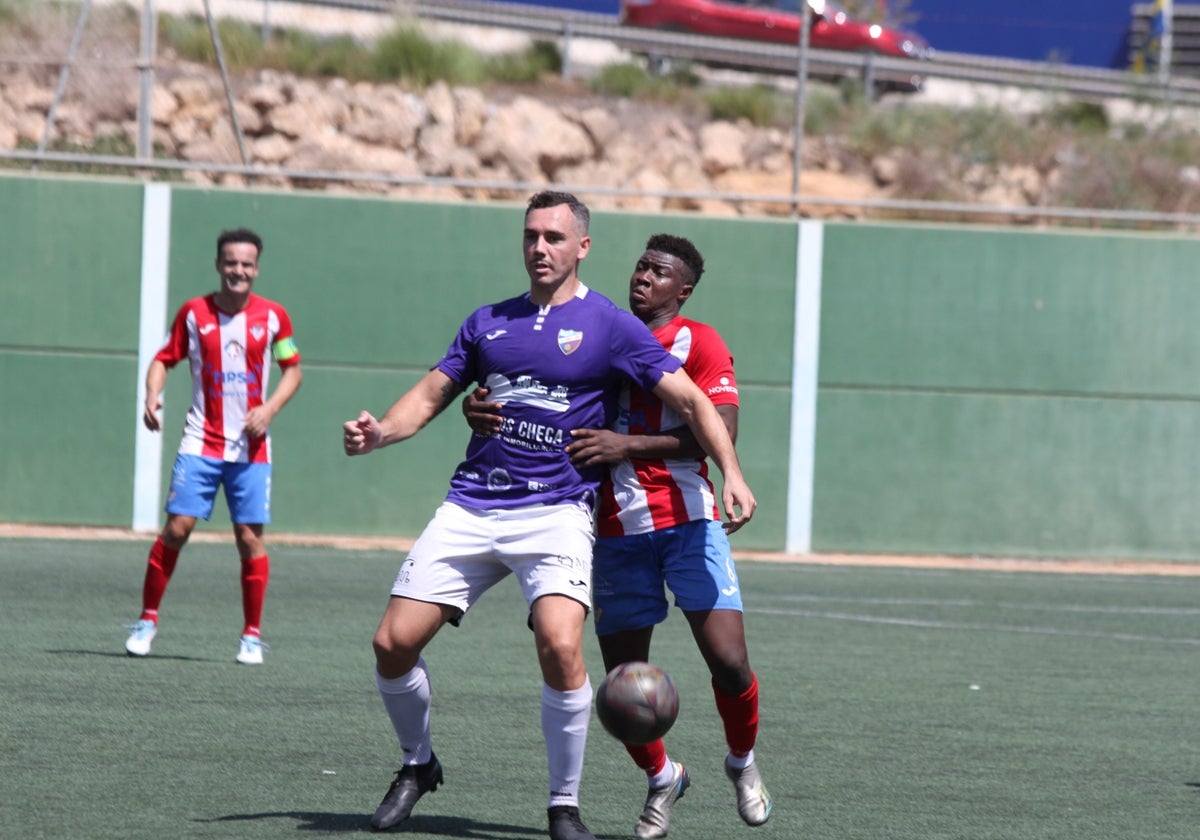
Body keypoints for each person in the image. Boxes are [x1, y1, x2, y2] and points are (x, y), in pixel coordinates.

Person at [341, 192, 756, 840]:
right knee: (390, 645)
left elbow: (696, 402)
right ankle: (417, 765)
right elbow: (433, 391)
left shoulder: (612, 326)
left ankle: (564, 808)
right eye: (532, 235)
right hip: (474, 503)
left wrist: (731, 472)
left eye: (555, 237)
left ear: (582, 247)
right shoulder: (488, 321)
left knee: (562, 646)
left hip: (557, 510)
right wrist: (380, 433)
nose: (540, 247)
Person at [464, 233, 771, 838]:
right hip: (609, 530)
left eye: (658, 272)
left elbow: (718, 432)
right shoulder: (596, 335)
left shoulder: (700, 343)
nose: (643, 276)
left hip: (688, 520)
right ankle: (662, 778)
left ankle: (742, 762)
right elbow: (536, 402)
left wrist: (626, 445)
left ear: (681, 290)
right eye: (640, 266)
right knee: (624, 692)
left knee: (730, 663)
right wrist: (481, 409)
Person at [124, 227, 303, 666]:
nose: (237, 270)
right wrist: (151, 395)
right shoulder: (193, 313)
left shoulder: (274, 316)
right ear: (219, 264)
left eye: (246, 263)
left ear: (256, 269)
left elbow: (293, 370)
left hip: (252, 448)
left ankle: (251, 636)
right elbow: (164, 359)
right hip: (200, 441)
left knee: (248, 539)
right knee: (177, 530)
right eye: (230, 262)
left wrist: (270, 409)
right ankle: (147, 621)